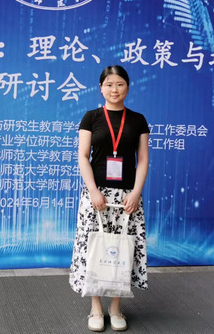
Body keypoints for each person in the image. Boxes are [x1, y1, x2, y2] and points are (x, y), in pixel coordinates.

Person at [69, 65, 149, 332]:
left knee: (121, 250)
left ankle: (116, 307)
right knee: (94, 248)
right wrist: (93, 190)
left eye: (120, 84)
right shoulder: (91, 117)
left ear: (128, 87)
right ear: (101, 88)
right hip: (97, 195)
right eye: (109, 84)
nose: (115, 89)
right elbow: (83, 156)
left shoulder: (138, 120)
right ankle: (95, 308)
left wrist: (135, 193)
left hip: (127, 198)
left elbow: (143, 160)